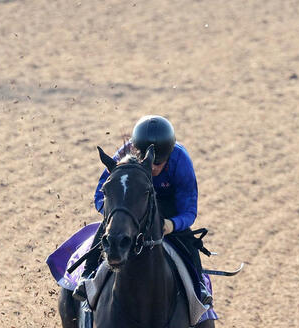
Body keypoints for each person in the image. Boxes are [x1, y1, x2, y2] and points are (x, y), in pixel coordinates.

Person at [88, 114, 210, 304]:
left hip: (168, 207)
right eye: (148, 161)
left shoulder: (181, 160)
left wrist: (172, 224)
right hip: (131, 205)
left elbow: (189, 210)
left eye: (158, 163)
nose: (152, 168)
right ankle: (86, 277)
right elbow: (100, 194)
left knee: (188, 241)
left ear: (169, 155)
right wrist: (114, 212)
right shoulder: (123, 155)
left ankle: (199, 287)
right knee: (108, 229)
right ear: (136, 151)